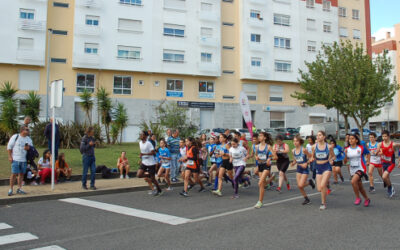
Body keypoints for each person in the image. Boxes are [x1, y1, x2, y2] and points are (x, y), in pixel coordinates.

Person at [344, 134, 371, 207]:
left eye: (352, 138)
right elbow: (345, 161)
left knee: (353, 181)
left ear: (356, 140)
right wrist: (345, 155)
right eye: (349, 139)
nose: (351, 140)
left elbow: (368, 153)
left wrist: (368, 161)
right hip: (352, 169)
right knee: (360, 187)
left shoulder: (361, 148)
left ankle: (358, 198)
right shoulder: (347, 149)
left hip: (361, 168)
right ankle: (367, 199)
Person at [311, 131, 335, 210]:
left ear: (324, 137)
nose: (318, 137)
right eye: (317, 135)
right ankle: (326, 186)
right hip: (318, 167)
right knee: (319, 189)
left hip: (326, 167)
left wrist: (331, 160)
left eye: (320, 135)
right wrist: (311, 159)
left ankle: (323, 203)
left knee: (322, 186)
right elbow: (312, 157)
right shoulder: (314, 147)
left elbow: (333, 156)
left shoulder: (329, 147)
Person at [7, 125, 33, 196]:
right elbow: (9, 147)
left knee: (21, 174)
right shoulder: (16, 137)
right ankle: (11, 189)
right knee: (14, 174)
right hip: (16, 158)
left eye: (28, 130)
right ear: (22, 130)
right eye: (26, 130)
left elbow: (31, 148)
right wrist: (10, 156)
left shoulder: (28, 139)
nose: (28, 131)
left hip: (24, 159)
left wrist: (28, 148)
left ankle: (19, 188)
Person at [291, 135, 315, 205]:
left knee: (301, 185)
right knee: (299, 186)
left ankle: (309, 182)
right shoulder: (293, 151)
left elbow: (311, 158)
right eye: (294, 141)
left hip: (305, 169)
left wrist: (306, 163)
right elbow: (295, 160)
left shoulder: (304, 150)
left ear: (300, 142)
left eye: (297, 141)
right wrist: (293, 163)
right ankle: (306, 199)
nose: (295, 142)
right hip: (299, 168)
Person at [376, 130, 400, 198]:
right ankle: (390, 188)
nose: (384, 138)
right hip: (384, 163)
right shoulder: (380, 144)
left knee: (384, 176)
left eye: (385, 136)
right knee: (386, 178)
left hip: (391, 163)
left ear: (389, 136)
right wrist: (377, 153)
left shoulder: (393, 144)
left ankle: (390, 188)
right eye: (383, 136)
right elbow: (377, 152)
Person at [137, 131, 162, 196]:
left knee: (153, 179)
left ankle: (159, 190)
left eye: (142, 135)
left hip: (151, 163)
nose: (140, 136)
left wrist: (144, 154)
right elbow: (142, 152)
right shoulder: (140, 143)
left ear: (145, 136)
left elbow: (153, 153)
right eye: (140, 134)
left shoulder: (149, 143)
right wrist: (141, 157)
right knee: (139, 175)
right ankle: (150, 175)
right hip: (144, 162)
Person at [254, 132, 274, 209]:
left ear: (265, 138)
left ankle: (259, 201)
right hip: (260, 165)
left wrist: (269, 158)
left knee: (260, 183)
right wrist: (256, 157)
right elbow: (256, 154)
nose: (259, 137)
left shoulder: (268, 147)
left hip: (266, 165)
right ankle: (260, 202)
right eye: (259, 135)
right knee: (262, 185)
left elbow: (275, 156)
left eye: (261, 136)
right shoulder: (256, 147)